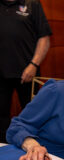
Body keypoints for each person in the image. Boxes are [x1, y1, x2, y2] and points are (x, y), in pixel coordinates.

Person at [0, 0, 52, 143]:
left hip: (28, 72)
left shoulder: (32, 3)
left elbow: (44, 38)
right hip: (1, 74)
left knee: (34, 116)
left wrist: (33, 64)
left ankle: (35, 150)